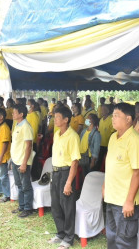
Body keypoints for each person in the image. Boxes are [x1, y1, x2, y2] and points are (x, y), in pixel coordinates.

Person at [103, 103, 139, 249]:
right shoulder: (113, 137)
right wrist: (104, 186)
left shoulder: (135, 140)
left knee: (124, 241)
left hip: (124, 201)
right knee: (111, 237)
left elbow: (138, 172)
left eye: (116, 115)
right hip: (111, 196)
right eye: (112, 115)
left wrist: (129, 201)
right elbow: (110, 166)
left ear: (128, 119)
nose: (112, 118)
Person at [48, 106, 80, 249]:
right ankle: (60, 233)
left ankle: (68, 237)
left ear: (66, 120)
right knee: (55, 205)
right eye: (55, 117)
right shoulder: (56, 134)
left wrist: (68, 182)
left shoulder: (73, 136)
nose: (55, 120)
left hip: (66, 172)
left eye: (58, 117)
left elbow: (75, 162)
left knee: (67, 206)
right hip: (55, 172)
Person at [10, 104, 35, 217]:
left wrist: (24, 162)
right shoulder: (17, 125)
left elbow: (28, 146)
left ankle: (28, 208)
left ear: (21, 114)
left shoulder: (26, 127)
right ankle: (22, 206)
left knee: (25, 185)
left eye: (14, 112)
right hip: (15, 159)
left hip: (22, 160)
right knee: (19, 185)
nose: (12, 114)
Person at [79, 113, 101, 179]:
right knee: (83, 174)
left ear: (93, 121)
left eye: (88, 119)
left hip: (89, 158)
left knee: (89, 175)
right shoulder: (84, 131)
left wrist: (93, 161)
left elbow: (96, 149)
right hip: (82, 156)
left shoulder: (96, 134)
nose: (86, 120)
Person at [95, 104, 115, 171]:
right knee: (99, 160)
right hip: (101, 144)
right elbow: (99, 132)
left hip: (108, 145)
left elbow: (113, 133)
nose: (101, 112)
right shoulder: (101, 120)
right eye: (101, 110)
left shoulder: (111, 120)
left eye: (103, 110)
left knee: (108, 160)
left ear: (108, 111)